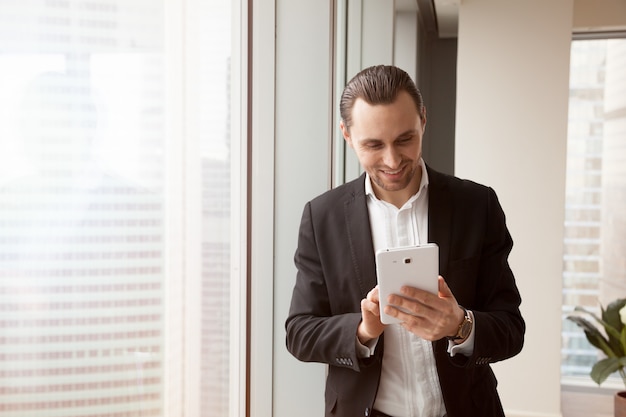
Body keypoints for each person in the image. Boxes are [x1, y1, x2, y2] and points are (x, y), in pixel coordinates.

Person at [285, 65, 525, 417]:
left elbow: (511, 328)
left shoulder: (477, 206)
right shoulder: (322, 217)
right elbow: (299, 332)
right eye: (373, 145)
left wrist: (460, 325)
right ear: (347, 135)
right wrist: (363, 330)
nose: (392, 160)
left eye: (404, 139)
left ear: (423, 120)